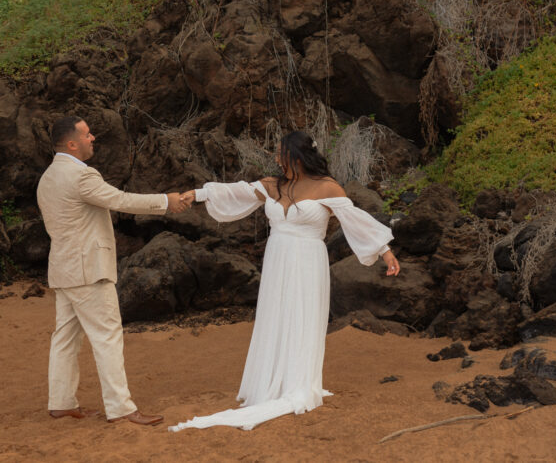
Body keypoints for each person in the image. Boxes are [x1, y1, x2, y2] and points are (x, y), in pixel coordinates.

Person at [170, 130, 400, 431]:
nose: (276, 159)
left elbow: (355, 220)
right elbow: (235, 192)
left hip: (308, 260)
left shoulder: (327, 187)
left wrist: (385, 252)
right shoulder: (271, 185)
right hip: (278, 258)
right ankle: (270, 380)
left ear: (297, 156)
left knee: (302, 317)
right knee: (276, 316)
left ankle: (298, 382)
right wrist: (197, 194)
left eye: (281, 154)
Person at [37, 115, 193, 426]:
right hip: (88, 270)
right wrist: (166, 201)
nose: (92, 137)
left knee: (65, 337)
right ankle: (120, 408)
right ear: (72, 143)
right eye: (87, 134)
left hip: (64, 269)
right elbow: (120, 200)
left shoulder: (48, 177)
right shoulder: (80, 176)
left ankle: (61, 402)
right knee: (107, 336)